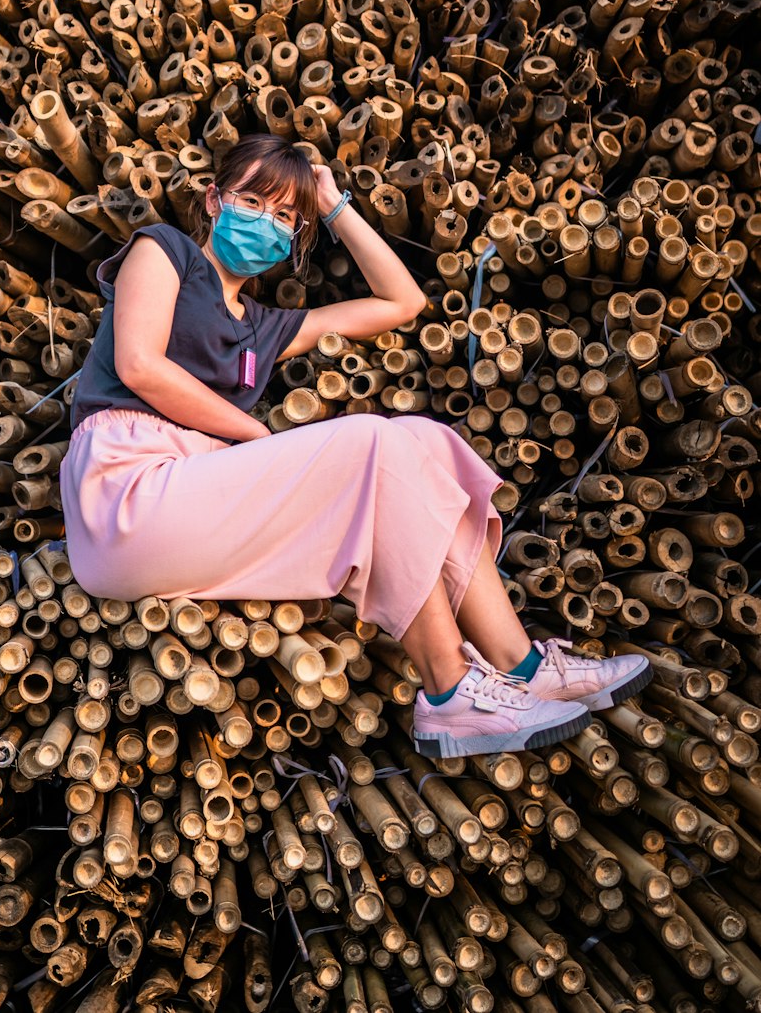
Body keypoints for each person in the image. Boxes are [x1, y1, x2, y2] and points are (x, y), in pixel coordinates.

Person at [60, 133, 650, 758]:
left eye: (286, 217)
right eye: (254, 202)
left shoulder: (263, 329)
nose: (268, 222)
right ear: (213, 200)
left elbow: (403, 302)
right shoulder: (166, 252)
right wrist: (256, 436)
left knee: (423, 439)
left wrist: (334, 204)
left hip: (195, 500)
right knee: (372, 440)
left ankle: (523, 666)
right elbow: (141, 365)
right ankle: (449, 690)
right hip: (126, 494)